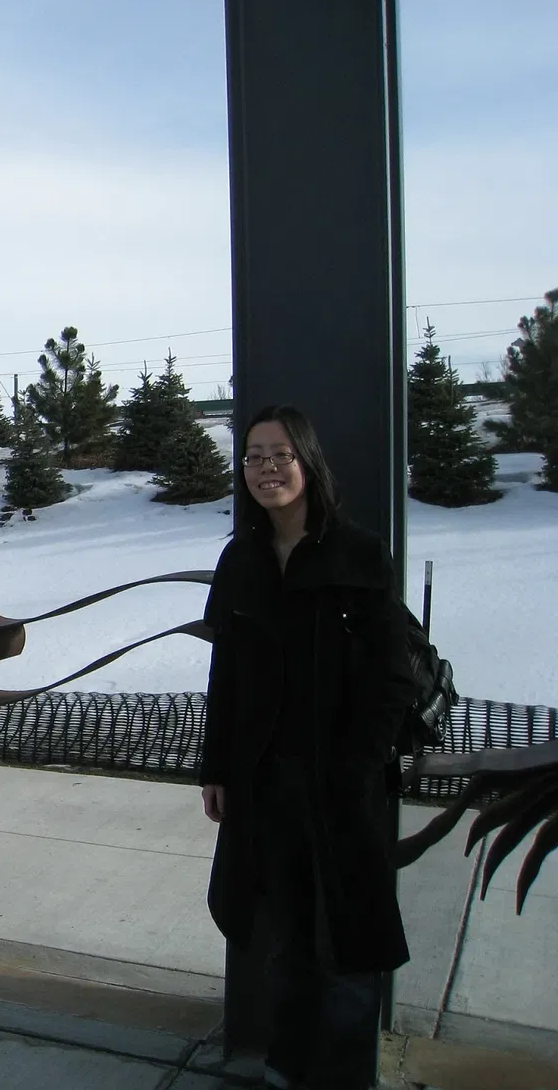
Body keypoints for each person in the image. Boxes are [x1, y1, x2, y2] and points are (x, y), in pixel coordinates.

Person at [199, 404, 416, 1090]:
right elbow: (226, 676)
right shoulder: (241, 559)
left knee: (346, 942)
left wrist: (358, 765)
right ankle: (289, 1069)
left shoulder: (358, 555)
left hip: (342, 786)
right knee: (284, 938)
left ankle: (347, 1077)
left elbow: (391, 679)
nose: (266, 468)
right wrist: (216, 768)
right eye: (254, 456)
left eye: (280, 454)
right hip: (265, 786)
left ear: (309, 463)